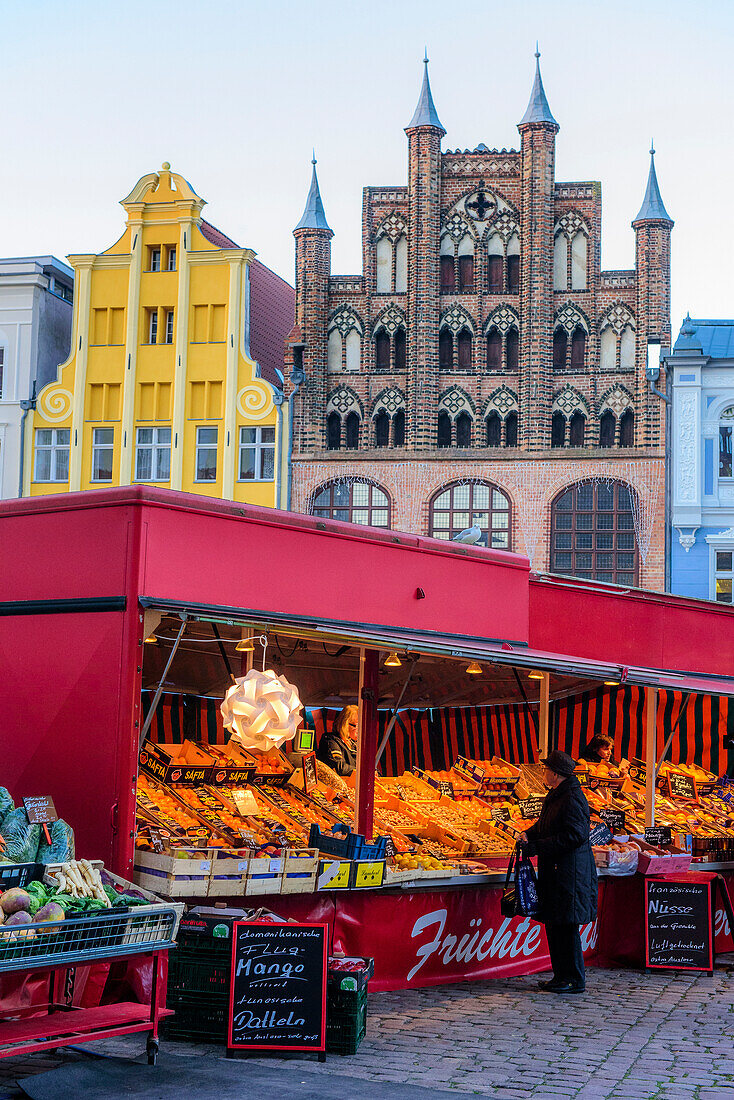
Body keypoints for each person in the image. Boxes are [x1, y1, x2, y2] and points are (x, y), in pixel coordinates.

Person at [520, 749, 597, 994]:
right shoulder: (556, 795)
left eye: (545, 769)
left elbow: (575, 835)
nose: (543, 772)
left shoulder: (572, 797)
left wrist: (538, 847)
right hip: (556, 871)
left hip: (569, 873)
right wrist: (528, 834)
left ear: (555, 774)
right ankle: (560, 976)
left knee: (566, 925)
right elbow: (545, 825)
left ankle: (573, 979)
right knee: (555, 924)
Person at [317, 705, 358, 777]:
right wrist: (362, 772)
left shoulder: (355, 744)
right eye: (356, 726)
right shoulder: (330, 740)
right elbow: (340, 767)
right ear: (345, 724)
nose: (359, 730)